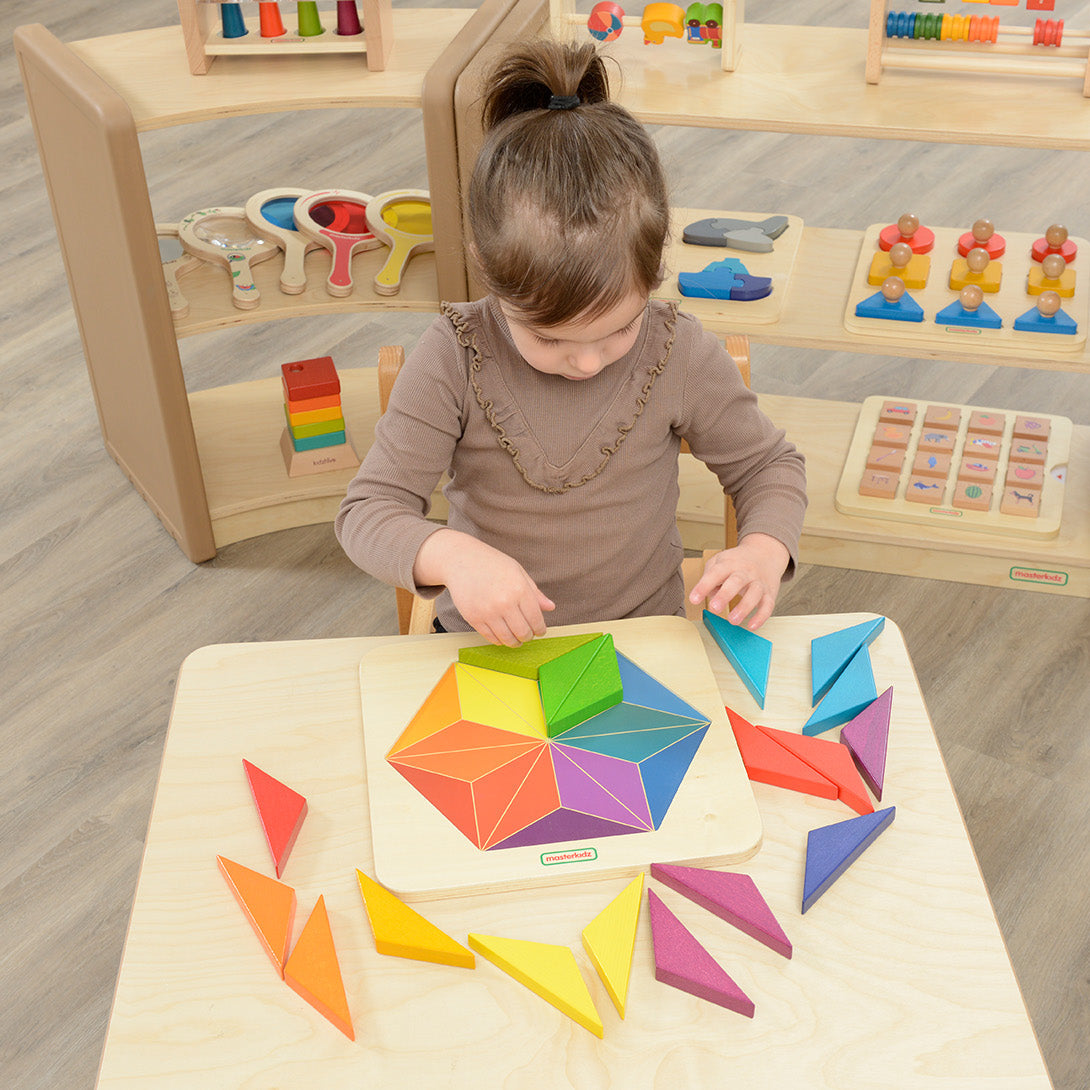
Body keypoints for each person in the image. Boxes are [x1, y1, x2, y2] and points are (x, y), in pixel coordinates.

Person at [336, 39, 806, 647]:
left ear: (654, 271)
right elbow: (367, 513)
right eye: (549, 337)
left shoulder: (678, 352)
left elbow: (769, 467)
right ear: (488, 270)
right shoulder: (455, 355)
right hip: (487, 645)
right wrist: (450, 556)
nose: (585, 362)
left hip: (643, 640)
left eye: (619, 330)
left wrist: (763, 552)